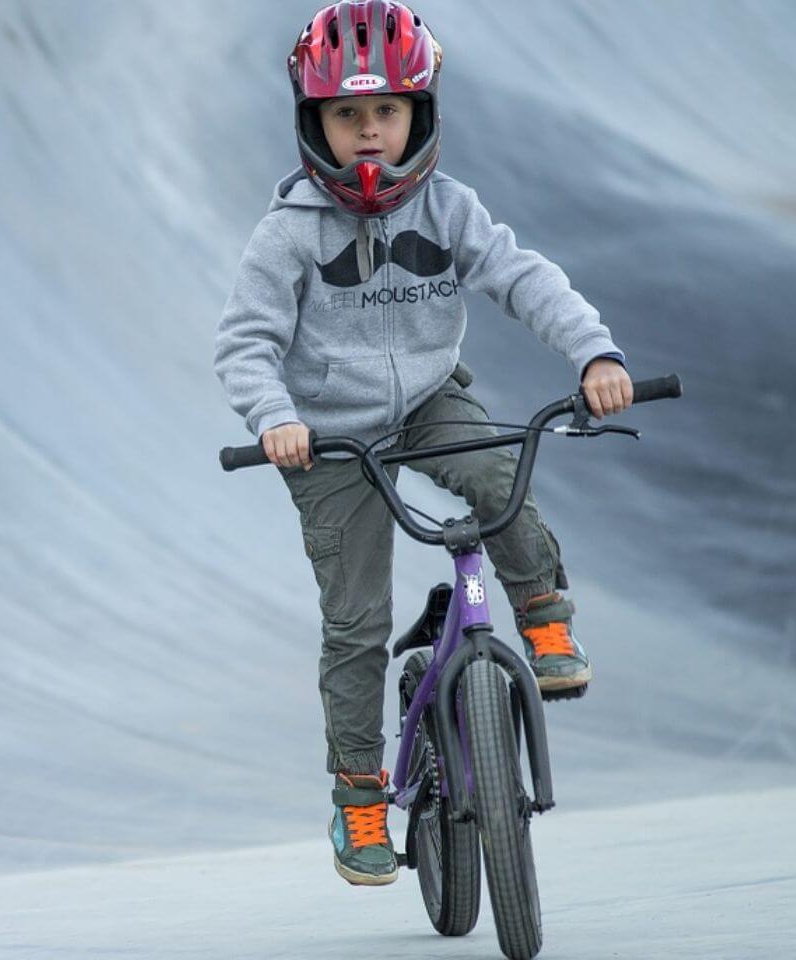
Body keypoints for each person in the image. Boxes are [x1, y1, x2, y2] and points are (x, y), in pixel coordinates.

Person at [213, 1, 633, 887]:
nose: (370, 134)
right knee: (357, 620)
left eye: (388, 113)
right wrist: (273, 417)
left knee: (494, 469)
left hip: (429, 404)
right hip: (325, 441)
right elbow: (244, 343)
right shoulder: (289, 230)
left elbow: (523, 277)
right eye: (347, 116)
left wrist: (592, 349)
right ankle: (359, 791)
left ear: (422, 116)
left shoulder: (449, 207)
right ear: (313, 123)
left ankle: (545, 620)